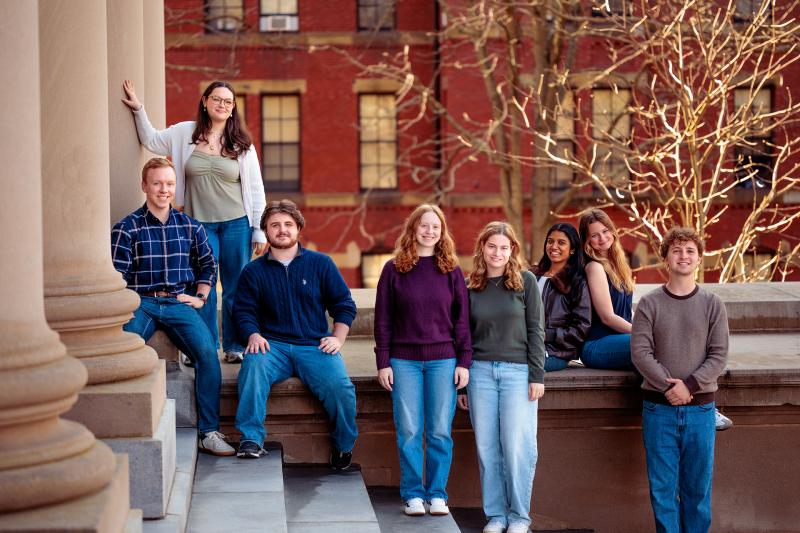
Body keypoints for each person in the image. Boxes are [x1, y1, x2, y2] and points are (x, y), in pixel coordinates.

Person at [122, 79, 266, 365]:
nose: (222, 105)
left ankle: (235, 345)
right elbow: (151, 140)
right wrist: (139, 109)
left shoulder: (242, 144)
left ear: (233, 107)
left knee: (236, 286)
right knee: (203, 285)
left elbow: (255, 189)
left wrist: (258, 230)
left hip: (237, 223)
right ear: (205, 100)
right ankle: (206, 345)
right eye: (217, 99)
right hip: (199, 225)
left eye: (228, 101)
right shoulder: (184, 133)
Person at [111, 157, 234, 456]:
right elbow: (116, 277)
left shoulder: (190, 227)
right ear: (144, 186)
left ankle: (209, 432)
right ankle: (123, 425)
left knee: (207, 355)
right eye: (157, 183)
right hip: (142, 302)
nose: (163, 190)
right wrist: (133, 304)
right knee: (122, 355)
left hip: (179, 302)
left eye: (169, 184)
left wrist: (201, 296)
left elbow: (208, 265)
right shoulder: (127, 229)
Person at [232, 200, 358, 468]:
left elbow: (344, 305)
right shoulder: (253, 271)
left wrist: (338, 338)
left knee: (341, 388)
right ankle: (251, 439)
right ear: (266, 231)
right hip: (272, 346)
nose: (282, 230)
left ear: (299, 228)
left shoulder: (321, 264)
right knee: (252, 368)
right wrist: (252, 335)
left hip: (314, 345)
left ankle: (344, 445)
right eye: (275, 225)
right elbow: (242, 312)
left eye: (288, 225)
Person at [374, 204, 472, 517]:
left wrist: (463, 362)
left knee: (441, 430)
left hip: (444, 360)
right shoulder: (394, 269)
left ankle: (437, 494)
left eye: (436, 227)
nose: (429, 232)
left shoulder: (452, 271)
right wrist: (383, 361)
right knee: (410, 430)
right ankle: (413, 494)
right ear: (413, 229)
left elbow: (462, 321)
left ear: (442, 233)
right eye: (424, 226)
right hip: (404, 361)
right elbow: (383, 319)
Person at [631, 227, 729, 533]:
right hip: (658, 411)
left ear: (699, 259)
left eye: (689, 251)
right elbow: (641, 353)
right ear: (665, 259)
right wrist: (668, 386)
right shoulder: (649, 304)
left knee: (697, 493)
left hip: (701, 412)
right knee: (662, 493)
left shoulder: (713, 304)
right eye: (676, 250)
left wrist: (690, 386)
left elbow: (719, 354)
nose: (683, 256)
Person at [457, 221, 545, 533]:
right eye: (492, 246)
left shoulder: (526, 282)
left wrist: (537, 375)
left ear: (512, 251)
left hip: (518, 373)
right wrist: (463, 384)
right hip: (479, 373)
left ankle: (520, 517)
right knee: (487, 448)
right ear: (482, 248)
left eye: (504, 248)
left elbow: (536, 330)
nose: (498, 253)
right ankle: (496, 515)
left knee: (517, 447)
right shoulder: (471, 287)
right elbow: (464, 337)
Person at [578, 209, 635, 370]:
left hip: (620, 341)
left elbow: (628, 311)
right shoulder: (594, 267)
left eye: (605, 231)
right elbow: (607, 317)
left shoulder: (619, 266)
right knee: (650, 343)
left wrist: (651, 327)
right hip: (596, 345)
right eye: (595, 235)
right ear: (587, 240)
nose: (602, 238)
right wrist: (643, 333)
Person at [531, 223, 591, 372]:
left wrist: (547, 336)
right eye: (550, 241)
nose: (554, 246)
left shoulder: (577, 283)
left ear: (572, 249)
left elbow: (581, 328)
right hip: (523, 345)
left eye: (561, 243)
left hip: (554, 352)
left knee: (518, 369)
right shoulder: (531, 276)